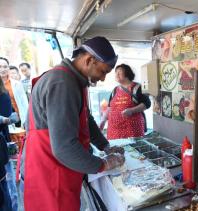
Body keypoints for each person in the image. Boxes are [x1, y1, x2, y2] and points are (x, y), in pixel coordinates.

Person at [19, 36, 125, 211]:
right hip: (49, 172)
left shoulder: (75, 80)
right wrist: (103, 164)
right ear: (89, 60)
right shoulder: (62, 83)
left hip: (60, 167)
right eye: (103, 71)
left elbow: (86, 119)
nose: (104, 79)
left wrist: (105, 145)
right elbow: (64, 147)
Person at [101, 64, 151, 140]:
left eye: (119, 72)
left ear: (127, 73)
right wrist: (103, 121)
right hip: (114, 131)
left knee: (133, 150)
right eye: (116, 73)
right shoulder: (115, 90)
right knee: (116, 150)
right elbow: (109, 107)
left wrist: (131, 110)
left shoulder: (137, 88)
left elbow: (147, 103)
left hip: (132, 130)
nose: (116, 75)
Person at [0, 78, 19, 211]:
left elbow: (9, 118)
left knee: (7, 182)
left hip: (3, 143)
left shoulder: (3, 96)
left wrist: (4, 119)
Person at [0, 57, 28, 127]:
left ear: (8, 68)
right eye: (0, 67)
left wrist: (27, 120)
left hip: (17, 120)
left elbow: (24, 103)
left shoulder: (17, 84)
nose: (2, 69)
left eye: (5, 66)